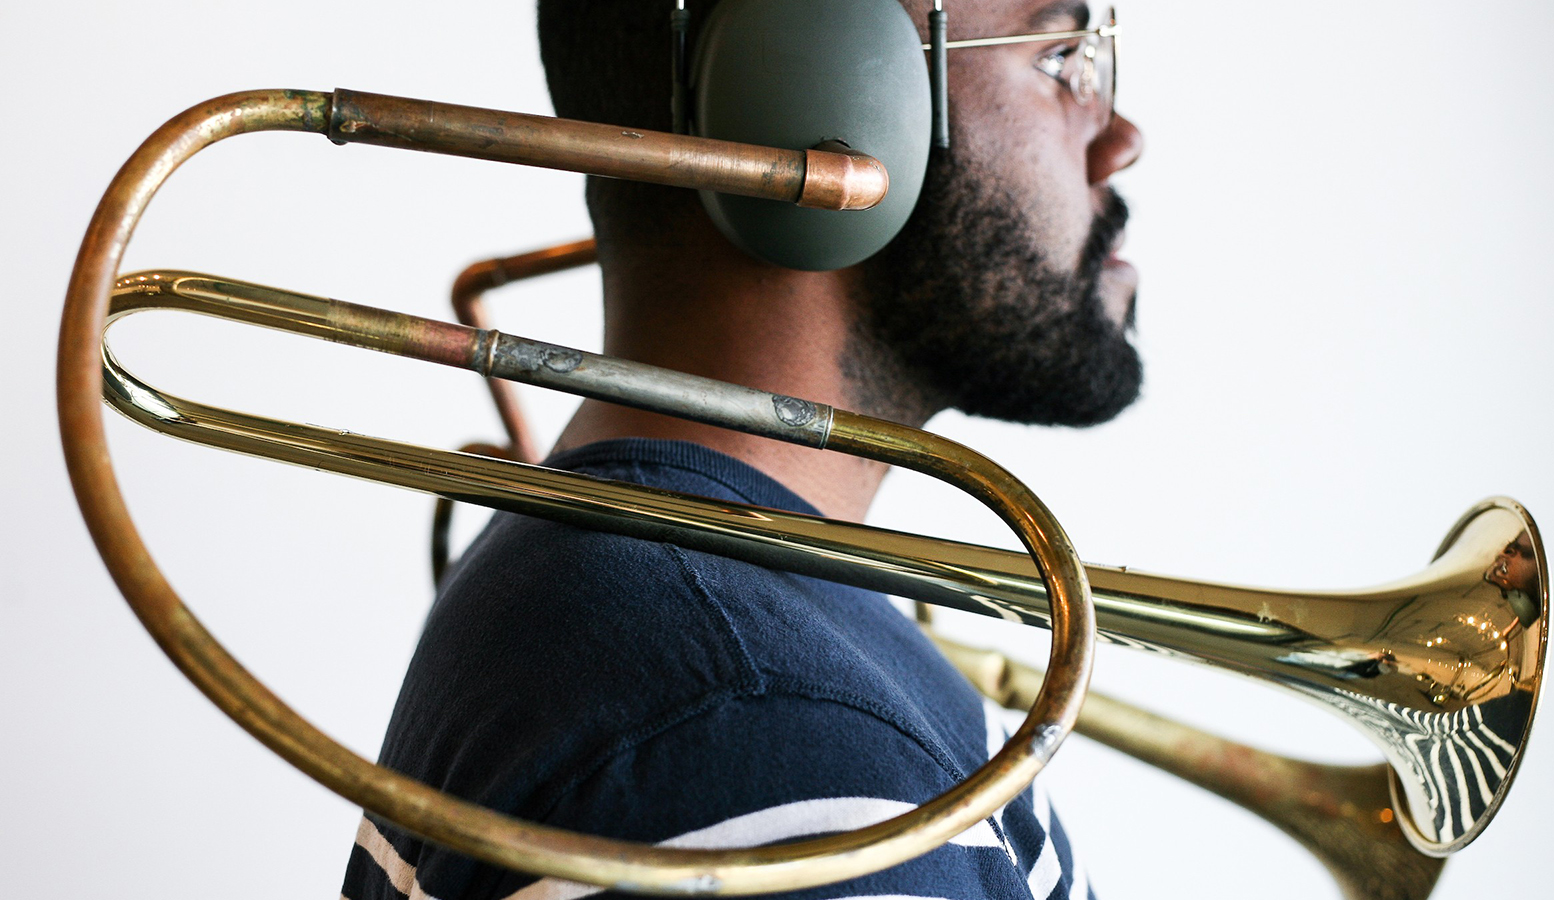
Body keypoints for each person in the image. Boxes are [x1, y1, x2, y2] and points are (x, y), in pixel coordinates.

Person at [341, 1, 1144, 898]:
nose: (1121, 141)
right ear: (814, 83)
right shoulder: (769, 736)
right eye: (1060, 56)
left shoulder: (694, 643)